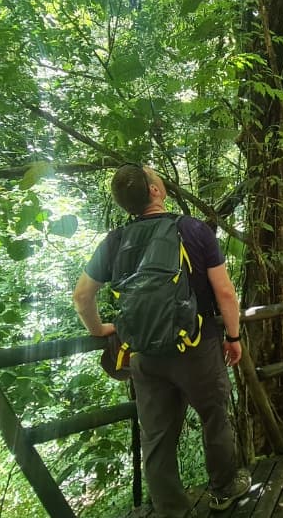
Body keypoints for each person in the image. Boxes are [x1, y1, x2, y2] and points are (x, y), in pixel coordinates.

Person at [72, 164, 250, 516]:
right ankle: (223, 489)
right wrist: (233, 336)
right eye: (156, 177)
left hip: (144, 355)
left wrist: (99, 330)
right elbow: (226, 294)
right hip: (196, 348)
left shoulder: (115, 241)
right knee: (214, 417)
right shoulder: (192, 230)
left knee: (156, 439)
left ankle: (173, 510)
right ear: (156, 192)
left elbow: (81, 296)